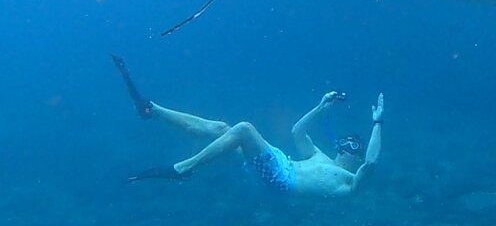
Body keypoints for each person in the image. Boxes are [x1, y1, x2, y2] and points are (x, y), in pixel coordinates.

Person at [111, 55, 384, 197]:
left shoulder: (349, 182)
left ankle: (183, 168)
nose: (346, 148)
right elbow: (297, 132)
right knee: (221, 129)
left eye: (353, 147)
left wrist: (377, 122)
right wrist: (321, 106)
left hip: (282, 179)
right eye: (345, 142)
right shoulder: (321, 157)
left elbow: (371, 164)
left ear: (356, 156)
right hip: (277, 164)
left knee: (243, 129)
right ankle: (152, 110)